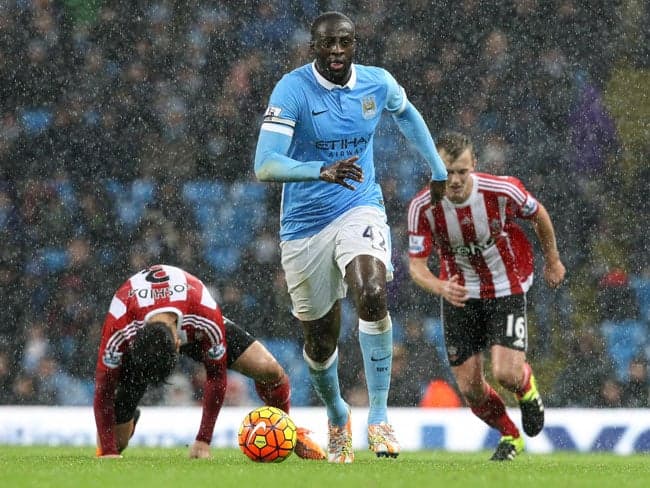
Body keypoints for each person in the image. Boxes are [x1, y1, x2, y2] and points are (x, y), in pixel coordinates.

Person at [253, 11, 448, 463]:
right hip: (303, 226)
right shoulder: (293, 89)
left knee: (372, 292)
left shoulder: (376, 83)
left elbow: (406, 113)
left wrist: (436, 167)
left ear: (355, 44)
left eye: (345, 42)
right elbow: (266, 165)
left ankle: (379, 416)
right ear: (313, 48)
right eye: (328, 44)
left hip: (358, 205)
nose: (337, 51)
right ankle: (338, 413)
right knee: (321, 340)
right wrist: (319, 170)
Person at [406, 131, 566, 461]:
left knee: (506, 373)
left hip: (506, 285)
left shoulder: (501, 189)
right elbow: (416, 266)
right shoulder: (422, 207)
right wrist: (440, 286)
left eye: (462, 172)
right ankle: (510, 436)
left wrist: (553, 260)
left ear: (473, 166)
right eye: (447, 171)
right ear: (435, 167)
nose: (454, 180)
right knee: (470, 388)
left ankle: (526, 389)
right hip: (459, 294)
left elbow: (540, 215)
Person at [93, 264, 326, 460]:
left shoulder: (202, 310)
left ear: (177, 343)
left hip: (196, 328)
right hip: (147, 344)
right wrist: (108, 451)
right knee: (115, 443)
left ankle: (285, 430)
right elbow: (103, 389)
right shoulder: (120, 323)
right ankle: (128, 419)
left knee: (270, 370)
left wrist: (203, 440)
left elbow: (216, 376)